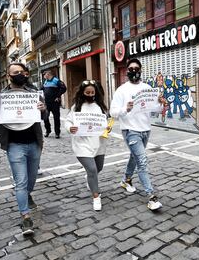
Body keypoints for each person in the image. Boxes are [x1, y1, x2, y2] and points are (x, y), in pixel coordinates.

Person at [0, 62, 46, 235]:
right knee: (21, 181)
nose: (19, 74)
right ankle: (26, 217)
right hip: (14, 144)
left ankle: (28, 195)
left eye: (21, 72)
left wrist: (43, 109)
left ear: (26, 74)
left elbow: (44, 116)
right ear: (8, 75)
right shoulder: (0, 95)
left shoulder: (34, 93)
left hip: (34, 143)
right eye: (15, 72)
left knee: (31, 178)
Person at [110, 58, 165, 211]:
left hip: (145, 129)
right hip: (130, 130)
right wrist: (125, 109)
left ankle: (126, 180)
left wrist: (161, 102)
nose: (134, 71)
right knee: (142, 161)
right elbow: (112, 112)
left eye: (137, 68)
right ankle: (151, 196)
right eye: (131, 69)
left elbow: (156, 109)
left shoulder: (147, 87)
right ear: (127, 71)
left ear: (140, 71)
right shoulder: (121, 90)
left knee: (134, 157)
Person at [65, 80, 108, 211]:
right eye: (87, 92)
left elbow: (106, 122)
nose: (90, 94)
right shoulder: (76, 107)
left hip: (99, 143)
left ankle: (89, 178)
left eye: (92, 92)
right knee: (92, 169)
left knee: (98, 167)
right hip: (82, 144)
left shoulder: (100, 106)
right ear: (83, 93)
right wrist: (70, 128)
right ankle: (96, 196)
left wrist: (108, 128)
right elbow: (68, 121)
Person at [42, 70, 66, 138]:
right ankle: (48, 131)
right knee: (45, 117)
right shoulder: (45, 81)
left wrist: (58, 96)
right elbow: (42, 89)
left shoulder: (56, 80)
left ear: (48, 74)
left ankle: (57, 133)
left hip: (55, 103)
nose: (44, 76)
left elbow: (64, 88)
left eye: (44, 74)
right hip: (47, 102)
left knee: (56, 118)